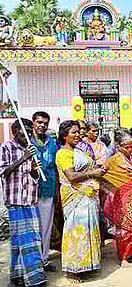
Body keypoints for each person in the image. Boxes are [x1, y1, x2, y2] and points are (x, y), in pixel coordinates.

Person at [56, 120, 106, 283]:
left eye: (79, 132)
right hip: (74, 197)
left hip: (88, 197)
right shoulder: (63, 154)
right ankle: (72, 270)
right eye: (73, 132)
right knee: (74, 231)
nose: (78, 135)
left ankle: (87, 265)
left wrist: (99, 170)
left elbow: (87, 168)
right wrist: (94, 173)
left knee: (88, 229)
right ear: (64, 135)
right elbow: (71, 176)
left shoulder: (79, 151)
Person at [0, 119, 47, 287]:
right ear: (14, 132)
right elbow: (4, 172)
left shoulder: (31, 149)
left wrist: (34, 168)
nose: (27, 134)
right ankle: (33, 279)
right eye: (23, 130)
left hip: (31, 201)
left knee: (30, 239)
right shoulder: (6, 147)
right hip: (16, 202)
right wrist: (24, 158)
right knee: (23, 240)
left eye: (29, 130)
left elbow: (33, 177)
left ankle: (21, 276)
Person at [102, 129, 132, 266]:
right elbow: (105, 176)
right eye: (127, 147)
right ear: (118, 147)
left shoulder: (130, 158)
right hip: (123, 199)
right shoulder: (114, 160)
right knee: (125, 228)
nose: (130, 149)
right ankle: (123, 257)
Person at [30, 111, 58, 272]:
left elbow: (55, 167)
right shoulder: (26, 142)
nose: (42, 125)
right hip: (30, 192)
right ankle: (32, 261)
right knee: (32, 228)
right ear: (33, 123)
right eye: (39, 122)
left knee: (46, 227)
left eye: (45, 123)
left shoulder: (52, 143)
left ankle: (44, 259)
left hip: (48, 191)